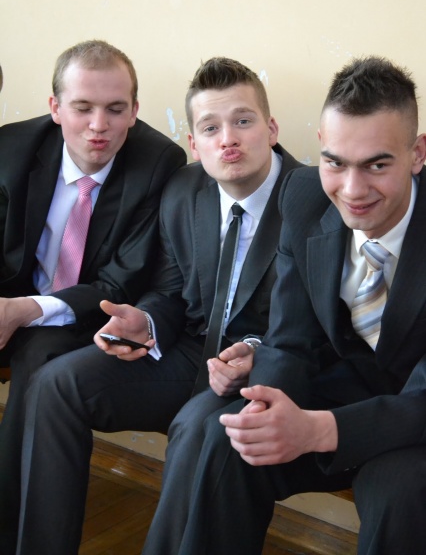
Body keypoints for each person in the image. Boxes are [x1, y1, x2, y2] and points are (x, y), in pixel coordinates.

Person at [14, 57, 302, 555]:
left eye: (243, 120)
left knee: (197, 427)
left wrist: (256, 354)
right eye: (210, 128)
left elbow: (313, 326)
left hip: (264, 366)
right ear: (194, 142)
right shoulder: (184, 189)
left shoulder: (311, 198)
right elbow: (170, 293)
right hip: (188, 353)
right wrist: (144, 322)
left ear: (271, 128)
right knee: (55, 384)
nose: (227, 139)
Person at [140, 55, 426, 555]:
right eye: (335, 162)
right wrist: (266, 407)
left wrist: (319, 429)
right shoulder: (305, 196)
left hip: (417, 423)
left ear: (418, 153)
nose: (352, 190)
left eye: (377, 165)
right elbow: (291, 340)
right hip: (346, 390)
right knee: (229, 438)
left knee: (398, 495)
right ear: (321, 144)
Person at [0, 39, 187, 554]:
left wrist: (25, 311)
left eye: (115, 109)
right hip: (14, 299)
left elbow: (120, 282)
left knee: (40, 356)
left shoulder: (158, 164)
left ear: (135, 110)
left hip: (93, 315)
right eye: (82, 107)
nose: (99, 125)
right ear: (55, 107)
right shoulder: (11, 149)